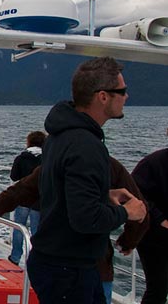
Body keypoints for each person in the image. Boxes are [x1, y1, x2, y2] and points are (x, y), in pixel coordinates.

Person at [27, 56, 147, 304]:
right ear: (103, 96)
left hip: (58, 262)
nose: (126, 97)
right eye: (122, 91)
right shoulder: (85, 146)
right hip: (68, 271)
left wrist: (104, 195)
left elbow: (61, 192)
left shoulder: (58, 137)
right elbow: (85, 219)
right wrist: (127, 212)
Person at [0, 157, 149, 304]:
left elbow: (22, 190)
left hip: (55, 257)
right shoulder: (110, 166)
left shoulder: (55, 163)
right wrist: (128, 241)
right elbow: (138, 207)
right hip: (95, 258)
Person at [132, 148, 168, 304]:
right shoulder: (153, 163)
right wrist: (160, 218)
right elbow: (134, 193)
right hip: (155, 237)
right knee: (158, 289)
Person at [8, 130, 46, 265]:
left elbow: (14, 176)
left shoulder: (21, 158)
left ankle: (15, 256)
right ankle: (35, 260)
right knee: (37, 231)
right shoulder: (47, 159)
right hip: (40, 200)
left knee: (19, 228)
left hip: (23, 198)